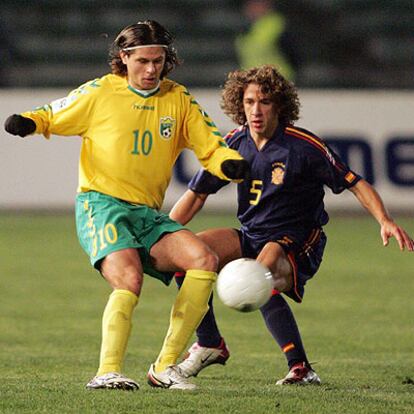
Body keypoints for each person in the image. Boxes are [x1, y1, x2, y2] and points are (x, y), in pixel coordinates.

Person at [3, 20, 250, 391]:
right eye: (143, 61)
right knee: (129, 279)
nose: (152, 69)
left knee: (203, 260)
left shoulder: (178, 99)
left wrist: (226, 163)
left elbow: (210, 145)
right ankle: (107, 371)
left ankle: (166, 366)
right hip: (102, 205)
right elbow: (52, 113)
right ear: (124, 57)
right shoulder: (101, 92)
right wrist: (28, 123)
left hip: (148, 214)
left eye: (159, 61)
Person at [169, 65, 414, 385]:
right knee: (185, 256)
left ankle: (300, 368)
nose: (256, 110)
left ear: (280, 105)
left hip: (298, 238)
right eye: (249, 102)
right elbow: (197, 193)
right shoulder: (233, 144)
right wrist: (163, 233)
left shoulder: (303, 146)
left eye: (265, 102)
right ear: (238, 104)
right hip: (251, 233)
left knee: (260, 274)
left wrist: (385, 220)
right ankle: (210, 343)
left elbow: (354, 182)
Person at [236, 0, 296, 81]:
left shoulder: (277, 24)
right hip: (254, 80)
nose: (251, 7)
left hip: (278, 79)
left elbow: (292, 52)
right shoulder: (247, 27)